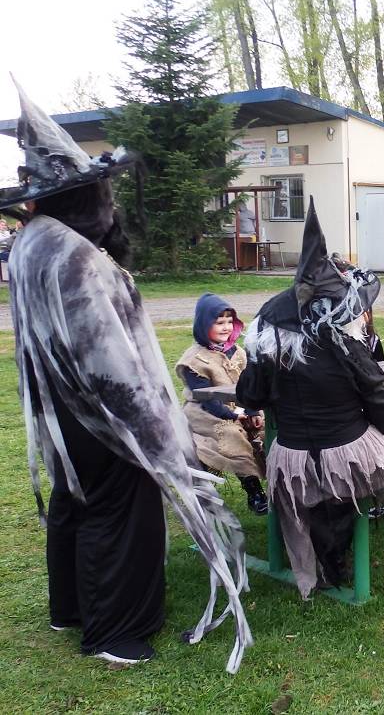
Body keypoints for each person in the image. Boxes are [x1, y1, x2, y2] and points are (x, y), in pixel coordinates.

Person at [2, 81, 250, 670]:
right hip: (99, 411)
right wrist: (156, 434)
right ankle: (115, 631)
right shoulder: (74, 257)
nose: (109, 205)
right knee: (118, 506)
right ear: (78, 198)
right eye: (101, 194)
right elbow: (107, 360)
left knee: (74, 500)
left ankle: (71, 607)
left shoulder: (33, 243)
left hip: (60, 406)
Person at [236, 202, 384, 598]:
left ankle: (319, 554)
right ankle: (334, 557)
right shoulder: (346, 347)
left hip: (292, 453)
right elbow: (376, 397)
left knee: (317, 489)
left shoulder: (270, 348)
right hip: (345, 453)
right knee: (360, 469)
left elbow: (249, 396)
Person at [175, 293, 268, 515]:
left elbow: (249, 386)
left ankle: (280, 485)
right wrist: (234, 416)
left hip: (239, 406)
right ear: (204, 324)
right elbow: (207, 398)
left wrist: (252, 411)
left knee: (267, 430)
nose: (226, 327)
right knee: (232, 435)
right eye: (219, 322)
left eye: (229, 321)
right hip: (207, 413)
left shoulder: (238, 353)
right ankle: (254, 491)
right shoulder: (195, 360)